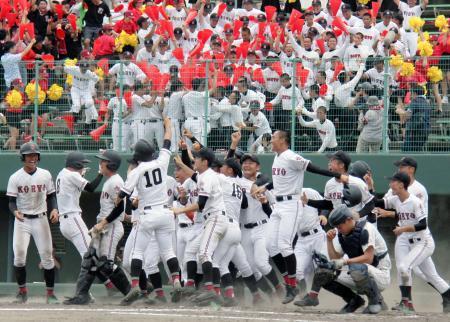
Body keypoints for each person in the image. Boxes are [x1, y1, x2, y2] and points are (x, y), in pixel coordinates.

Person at [251, 130, 348, 304]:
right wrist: (265, 188)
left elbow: (313, 168)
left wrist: (338, 175)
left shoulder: (290, 156)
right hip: (279, 204)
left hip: (291, 203)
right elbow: (280, 180)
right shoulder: (278, 157)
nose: (271, 140)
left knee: (284, 245)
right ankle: (290, 282)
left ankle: (291, 285)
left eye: (274, 137)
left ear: (283, 140)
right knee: (270, 245)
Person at [113, 118, 183, 305]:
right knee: (168, 251)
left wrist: (117, 199)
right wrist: (168, 125)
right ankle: (176, 281)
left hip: (148, 214)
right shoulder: (161, 161)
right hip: (166, 213)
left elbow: (125, 192)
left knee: (137, 252)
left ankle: (136, 285)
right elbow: (167, 140)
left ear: (137, 157)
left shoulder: (139, 169)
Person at [374, 172, 450, 313]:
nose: (390, 184)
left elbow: (422, 225)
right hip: (404, 239)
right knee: (430, 275)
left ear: (402, 185)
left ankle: (407, 303)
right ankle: (446, 296)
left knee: (405, 267)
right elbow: (376, 202)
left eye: (393, 181)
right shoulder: (395, 199)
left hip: (422, 241)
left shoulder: (415, 201)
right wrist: (368, 187)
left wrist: (403, 228)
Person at [63, 150, 131, 305]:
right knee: (91, 260)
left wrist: (103, 222)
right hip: (105, 225)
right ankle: (82, 295)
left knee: (105, 264)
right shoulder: (110, 180)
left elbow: (120, 208)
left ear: (111, 164)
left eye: (103, 161)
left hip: (111, 226)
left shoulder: (116, 181)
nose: (100, 163)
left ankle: (129, 293)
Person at [295, 204, 390, 314]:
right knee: (324, 272)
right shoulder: (343, 234)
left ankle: (376, 301)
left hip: (380, 275)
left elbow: (368, 258)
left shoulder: (366, 229)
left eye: (340, 227)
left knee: (356, 268)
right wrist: (330, 241)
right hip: (361, 271)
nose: (338, 230)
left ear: (349, 220)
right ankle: (354, 300)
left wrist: (344, 262)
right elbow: (335, 258)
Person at [6, 142, 59, 304]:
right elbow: (11, 201)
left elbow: (51, 196)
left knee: (47, 257)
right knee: (19, 257)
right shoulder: (15, 177)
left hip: (41, 219)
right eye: (29, 155)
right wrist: (15, 212)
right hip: (22, 220)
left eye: (35, 155)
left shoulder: (45, 174)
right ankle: (22, 292)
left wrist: (54, 209)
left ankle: (50, 294)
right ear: (23, 157)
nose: (32, 158)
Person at [401, 85, 430, 152]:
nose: (410, 94)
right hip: (425, 130)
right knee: (418, 151)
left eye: (411, 92)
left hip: (413, 131)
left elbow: (408, 115)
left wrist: (401, 112)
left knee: (407, 151)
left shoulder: (415, 101)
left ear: (414, 93)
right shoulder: (427, 103)